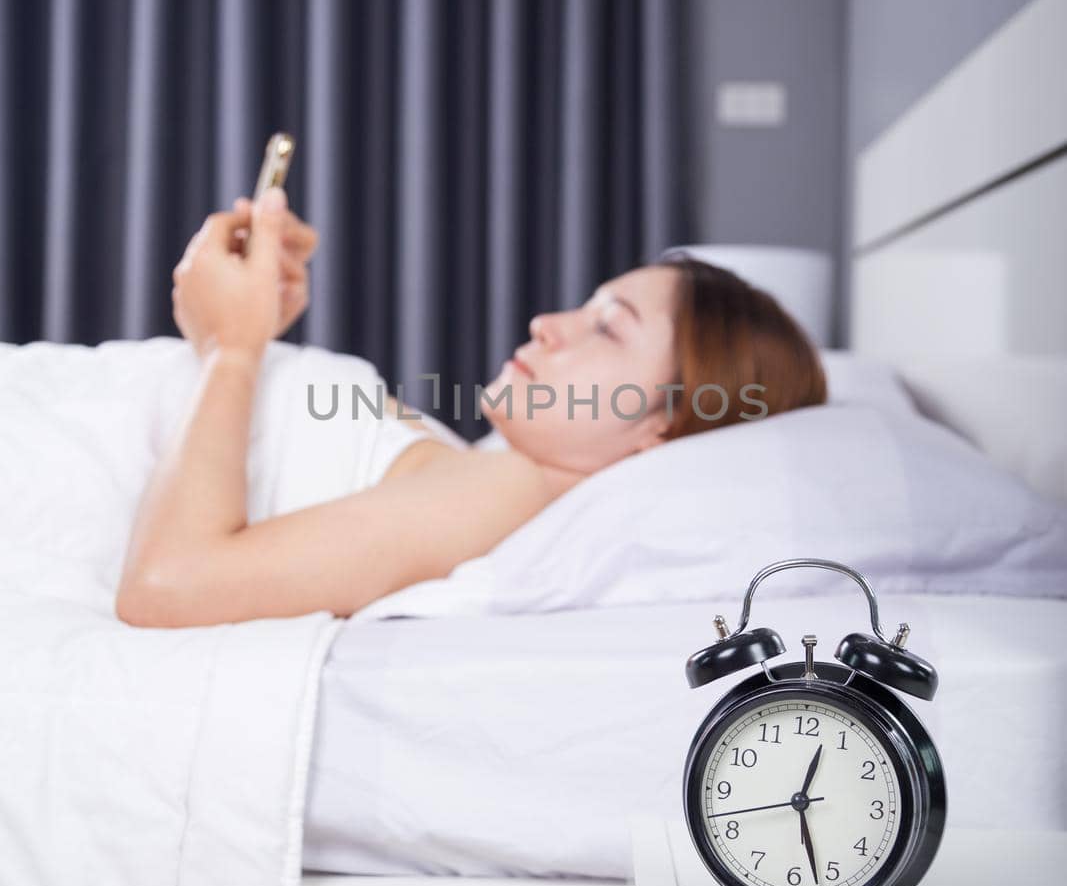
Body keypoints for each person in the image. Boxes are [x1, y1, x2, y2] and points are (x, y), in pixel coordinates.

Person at [116, 190, 826, 628]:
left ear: (663, 426)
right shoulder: (495, 471)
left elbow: (169, 587)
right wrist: (247, 320)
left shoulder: (509, 490)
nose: (550, 321)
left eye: (608, 327)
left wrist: (232, 350)